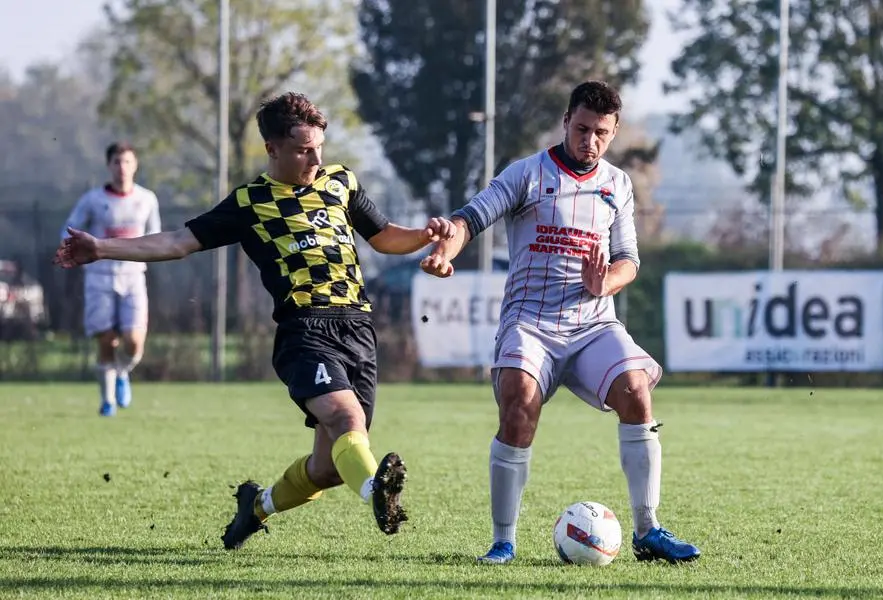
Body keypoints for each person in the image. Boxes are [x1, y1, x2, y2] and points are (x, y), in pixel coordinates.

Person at [55, 92, 456, 548]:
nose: (316, 157)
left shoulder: (340, 182)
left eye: (319, 147)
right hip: (306, 332)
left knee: (326, 469)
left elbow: (385, 238)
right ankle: (377, 494)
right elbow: (175, 242)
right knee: (348, 422)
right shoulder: (250, 202)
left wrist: (425, 234)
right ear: (273, 148)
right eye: (304, 149)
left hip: (359, 331)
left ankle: (257, 506)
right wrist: (102, 248)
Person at [420, 81, 701, 564]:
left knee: (637, 389)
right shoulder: (526, 174)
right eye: (582, 129)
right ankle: (503, 541)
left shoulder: (618, 185)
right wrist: (446, 249)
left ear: (612, 134)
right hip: (530, 323)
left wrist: (605, 282)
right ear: (566, 121)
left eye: (601, 134)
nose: (590, 141)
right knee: (518, 404)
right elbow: (472, 217)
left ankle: (648, 530)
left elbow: (629, 261)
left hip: (593, 323)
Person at [62, 142, 161, 416]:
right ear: (109, 166)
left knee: (134, 341)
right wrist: (68, 248)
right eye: (117, 162)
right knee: (106, 339)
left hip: (133, 277)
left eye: (127, 162)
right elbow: (69, 230)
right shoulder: (93, 200)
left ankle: (122, 372)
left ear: (135, 165)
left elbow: (156, 237)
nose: (122, 168)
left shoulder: (146, 199)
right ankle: (107, 402)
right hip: (99, 277)